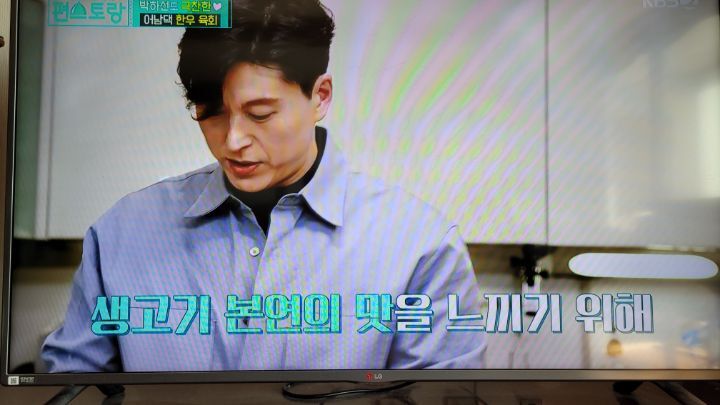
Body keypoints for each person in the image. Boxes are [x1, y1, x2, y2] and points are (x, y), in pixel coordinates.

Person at [41, 0, 486, 372]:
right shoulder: (122, 233)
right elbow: (67, 389)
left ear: (320, 96)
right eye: (211, 112)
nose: (233, 140)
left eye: (260, 114)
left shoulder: (419, 246)